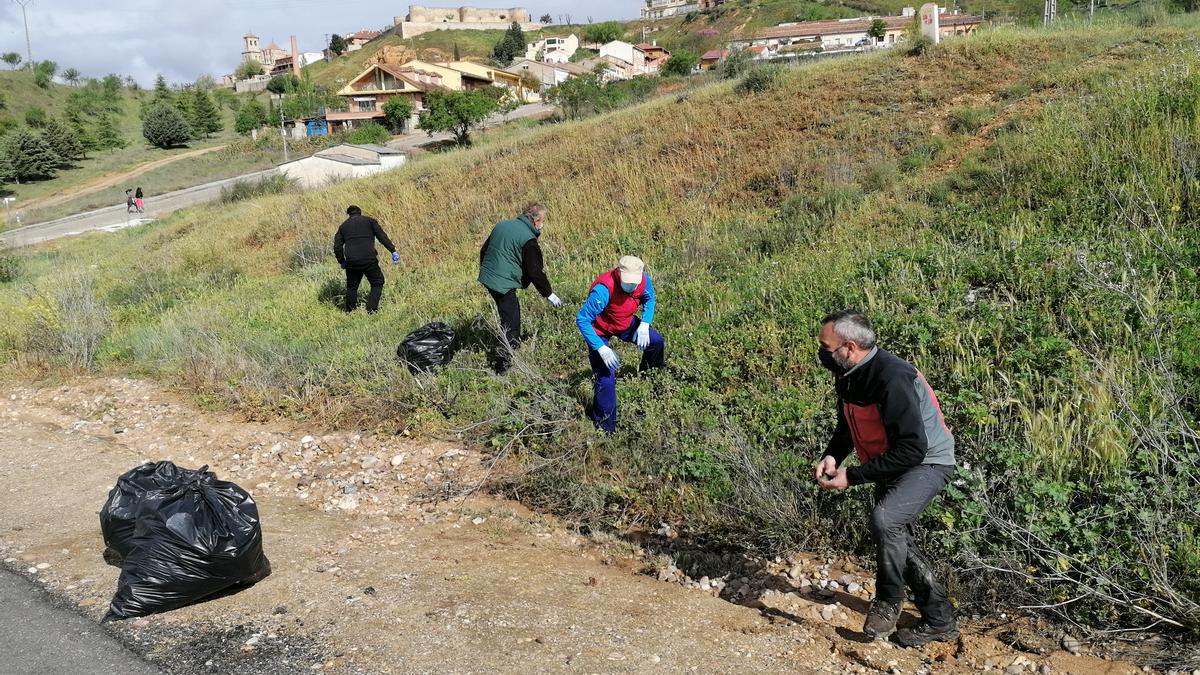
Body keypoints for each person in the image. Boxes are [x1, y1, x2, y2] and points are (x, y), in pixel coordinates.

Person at [813, 310, 958, 647]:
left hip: (927, 461)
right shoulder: (848, 372)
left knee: (886, 519)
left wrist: (853, 476)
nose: (821, 352)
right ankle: (939, 619)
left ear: (849, 347)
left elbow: (912, 449)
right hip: (890, 460)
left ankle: (888, 600)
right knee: (896, 536)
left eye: (825, 346)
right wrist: (833, 455)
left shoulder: (892, 377)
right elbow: (848, 424)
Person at [575, 255, 665, 433]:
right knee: (606, 377)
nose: (631, 287)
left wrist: (645, 324)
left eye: (634, 283)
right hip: (599, 329)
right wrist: (601, 348)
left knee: (656, 341)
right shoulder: (603, 290)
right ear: (618, 273)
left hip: (624, 323)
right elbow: (582, 320)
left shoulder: (643, 281)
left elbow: (650, 299)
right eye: (627, 282)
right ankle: (605, 426)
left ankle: (651, 376)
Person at [477, 203, 562, 370]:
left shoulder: (502, 225)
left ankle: (508, 354)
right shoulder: (528, 240)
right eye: (542, 221)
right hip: (503, 283)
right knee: (511, 321)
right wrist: (549, 294)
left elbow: (484, 250)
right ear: (536, 220)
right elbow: (535, 272)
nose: (542, 224)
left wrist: (487, 271)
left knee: (506, 314)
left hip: (489, 277)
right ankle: (504, 365)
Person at [332, 205, 400, 314]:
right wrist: (392, 250)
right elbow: (382, 237)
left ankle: (350, 312)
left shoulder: (343, 226)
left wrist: (342, 261)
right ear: (360, 212)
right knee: (377, 282)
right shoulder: (370, 221)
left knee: (352, 287)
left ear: (349, 214)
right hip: (369, 259)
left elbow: (337, 247)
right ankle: (371, 310)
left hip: (352, 261)